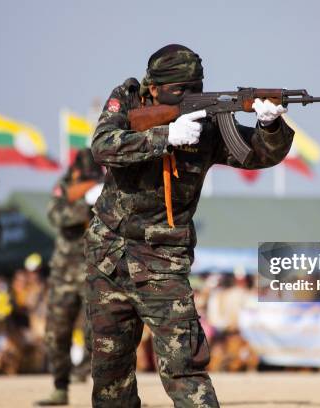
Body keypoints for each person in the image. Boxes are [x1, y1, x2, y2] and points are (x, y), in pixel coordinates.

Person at [85, 44, 294, 407]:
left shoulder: (209, 125)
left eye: (196, 87)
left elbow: (256, 155)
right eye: (181, 90)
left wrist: (269, 125)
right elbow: (103, 145)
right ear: (154, 88)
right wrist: (164, 137)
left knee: (185, 366)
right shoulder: (127, 99)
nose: (191, 96)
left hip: (163, 259)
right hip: (109, 254)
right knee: (110, 372)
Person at [36, 149, 104, 406]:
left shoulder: (106, 184)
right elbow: (56, 216)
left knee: (99, 334)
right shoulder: (64, 187)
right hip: (64, 272)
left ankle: (110, 393)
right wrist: (83, 203)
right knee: (56, 333)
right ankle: (59, 388)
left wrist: (100, 200)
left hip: (96, 269)